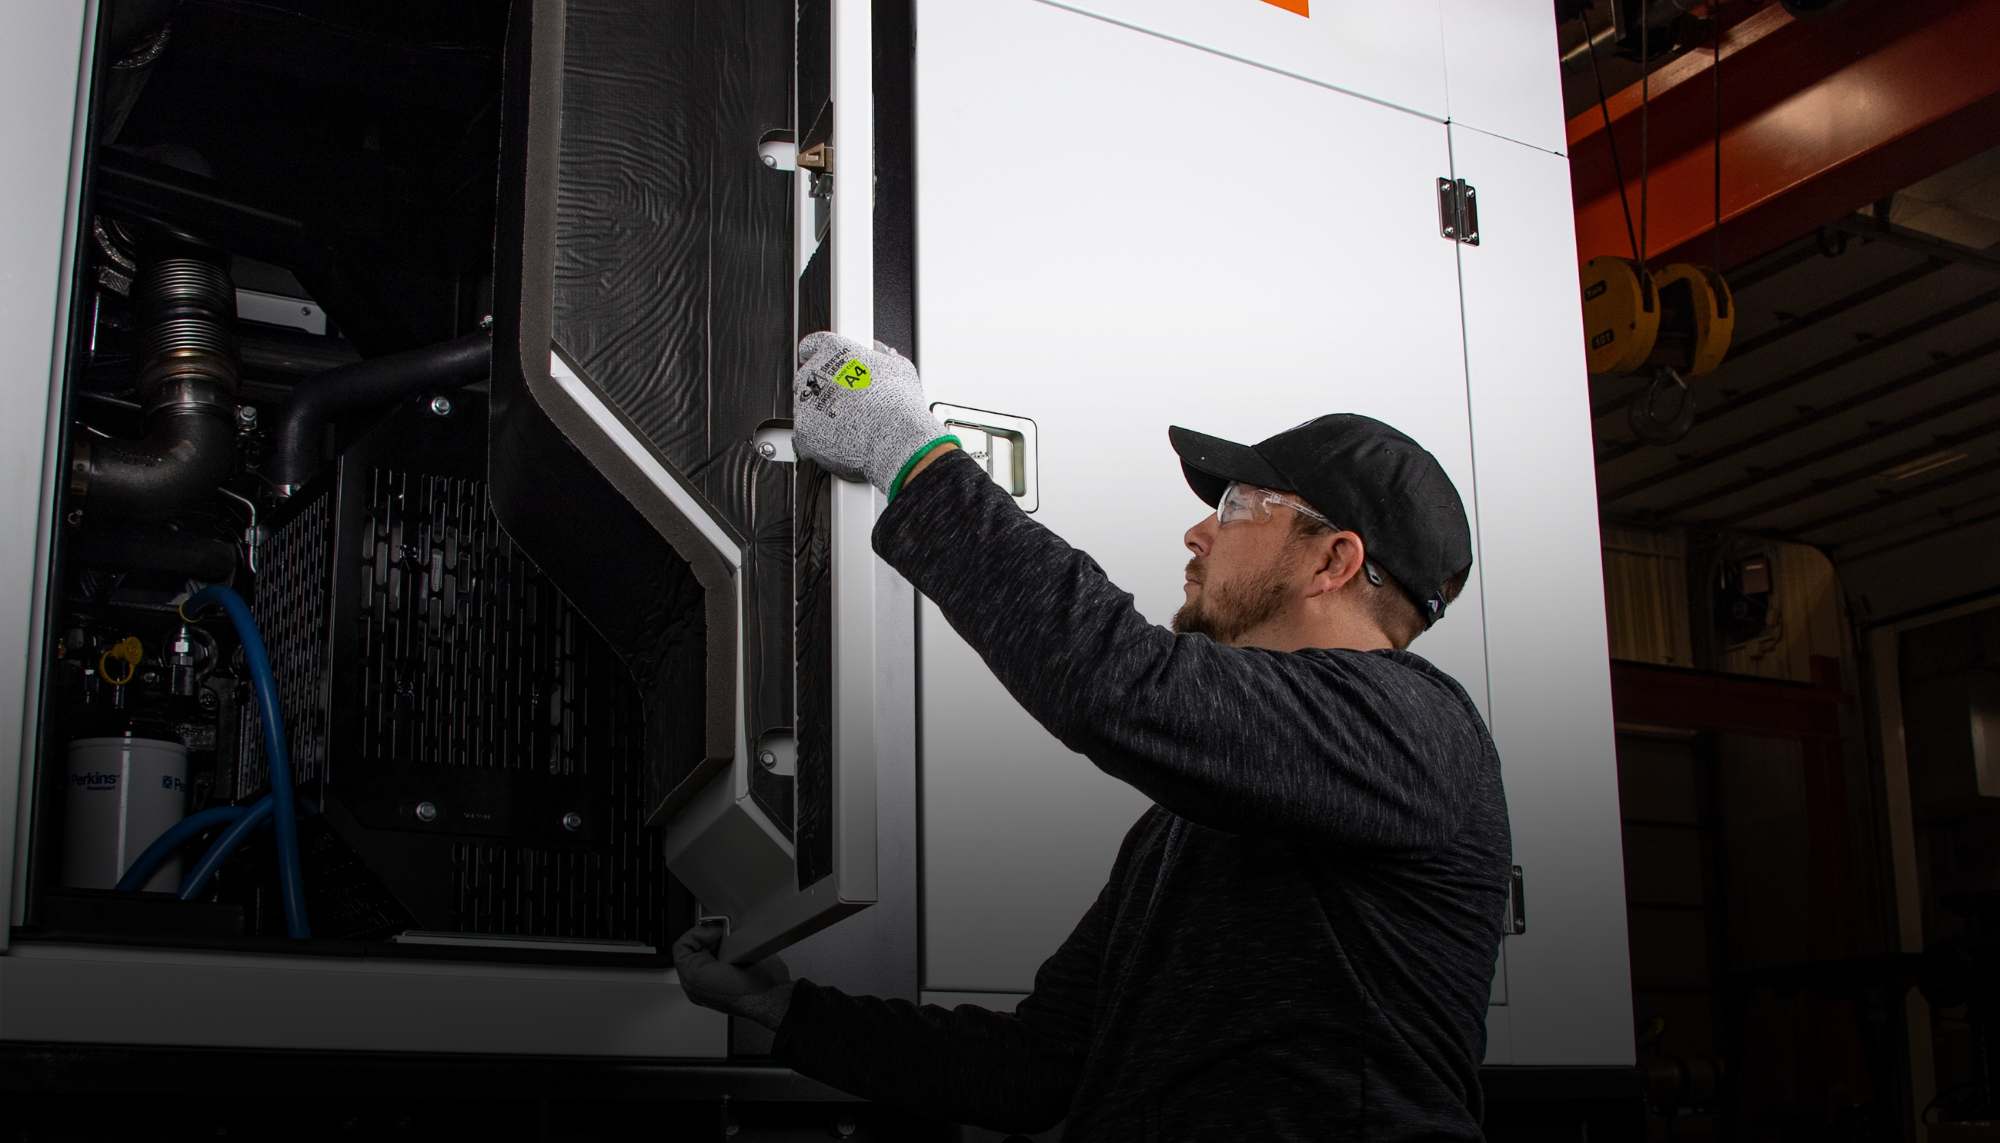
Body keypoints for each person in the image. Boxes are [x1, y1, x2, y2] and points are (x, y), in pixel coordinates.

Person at [672, 333, 1512, 1141]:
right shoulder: (1184, 826)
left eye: (1235, 507)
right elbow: (1037, 1069)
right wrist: (777, 1008)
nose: (1198, 534)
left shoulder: (1425, 733)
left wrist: (906, 448)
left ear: (1332, 560)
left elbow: (1117, 681)